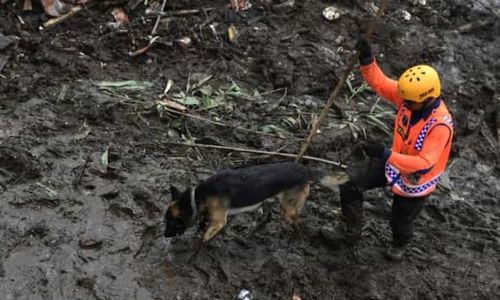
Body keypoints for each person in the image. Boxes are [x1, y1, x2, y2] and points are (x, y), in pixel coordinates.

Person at [326, 36, 454, 261]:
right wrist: (368, 60)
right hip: (393, 162)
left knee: (400, 220)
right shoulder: (409, 98)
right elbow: (382, 84)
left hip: (416, 179)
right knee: (349, 181)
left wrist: (386, 153)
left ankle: (399, 244)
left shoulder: (440, 125)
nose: (403, 104)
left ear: (427, 99)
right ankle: (349, 232)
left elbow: (424, 163)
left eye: (409, 102)